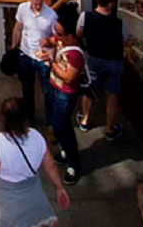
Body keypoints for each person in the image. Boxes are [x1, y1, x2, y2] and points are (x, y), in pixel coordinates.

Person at [0, 97, 71, 227]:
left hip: (4, 198)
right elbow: (50, 166)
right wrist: (59, 187)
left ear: (3, 119)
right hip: (32, 196)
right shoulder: (37, 137)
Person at [77, 0, 128, 141]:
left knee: (89, 89)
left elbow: (79, 33)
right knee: (112, 94)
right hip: (114, 60)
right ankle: (109, 129)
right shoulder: (119, 23)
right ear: (111, 4)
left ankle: (85, 120)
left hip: (93, 58)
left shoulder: (85, 16)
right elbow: (124, 41)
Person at [43, 12, 85, 184]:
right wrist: (46, 42)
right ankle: (66, 151)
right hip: (54, 88)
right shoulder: (62, 40)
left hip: (65, 94)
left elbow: (69, 77)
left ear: (71, 35)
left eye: (60, 34)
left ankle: (74, 163)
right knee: (61, 125)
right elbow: (51, 41)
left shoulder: (75, 55)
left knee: (61, 128)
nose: (57, 37)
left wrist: (51, 62)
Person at [11, 0, 58, 126]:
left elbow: (57, 37)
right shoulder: (22, 9)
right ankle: (29, 117)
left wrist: (50, 50)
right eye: (35, 3)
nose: (38, 6)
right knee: (27, 87)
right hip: (26, 54)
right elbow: (18, 27)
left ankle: (50, 121)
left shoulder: (51, 15)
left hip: (43, 57)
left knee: (47, 90)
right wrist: (14, 46)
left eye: (40, 3)